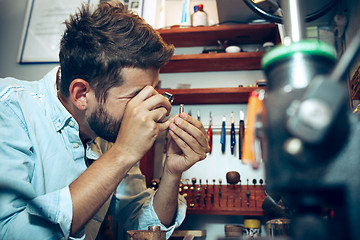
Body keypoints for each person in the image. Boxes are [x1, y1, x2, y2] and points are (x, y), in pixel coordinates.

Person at [0, 1, 210, 239]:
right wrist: (122, 153)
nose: (150, 109)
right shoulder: (8, 109)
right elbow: (9, 232)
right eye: (136, 95)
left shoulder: (110, 131)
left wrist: (171, 172)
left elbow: (145, 223)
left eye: (152, 91)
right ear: (81, 94)